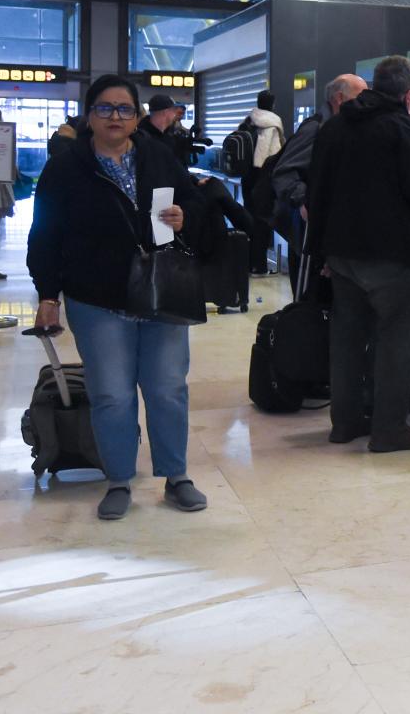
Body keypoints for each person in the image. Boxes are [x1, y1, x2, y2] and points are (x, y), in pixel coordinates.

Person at [27, 75, 209, 521]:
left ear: (137, 116)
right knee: (112, 394)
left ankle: (176, 476)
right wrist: (48, 293)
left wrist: (187, 217)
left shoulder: (157, 156)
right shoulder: (67, 167)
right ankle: (119, 479)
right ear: (89, 116)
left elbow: (195, 204)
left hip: (160, 291)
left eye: (125, 109)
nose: (115, 117)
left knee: (167, 389)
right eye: (105, 109)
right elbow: (45, 235)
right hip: (97, 297)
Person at [306, 56, 410, 452]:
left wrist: (321, 251)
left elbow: (318, 188)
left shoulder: (336, 126)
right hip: (392, 253)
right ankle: (389, 428)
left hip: (342, 252)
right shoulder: (401, 128)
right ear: (409, 93)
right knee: (396, 341)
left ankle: (344, 423)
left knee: (347, 338)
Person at [273, 74, 367, 292]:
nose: (365, 103)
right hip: (309, 239)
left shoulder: (342, 130)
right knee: (309, 304)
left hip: (328, 236)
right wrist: (304, 199)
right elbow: (284, 172)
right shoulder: (316, 129)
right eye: (360, 97)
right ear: (340, 98)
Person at [240, 90, 284, 275]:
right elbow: (275, 153)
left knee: (249, 219)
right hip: (263, 176)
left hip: (247, 176)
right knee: (263, 222)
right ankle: (260, 265)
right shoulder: (274, 123)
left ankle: (248, 262)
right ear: (272, 104)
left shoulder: (248, 120)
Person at [137, 94, 191, 167]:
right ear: (166, 112)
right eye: (173, 111)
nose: (174, 115)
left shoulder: (167, 135)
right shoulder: (142, 139)